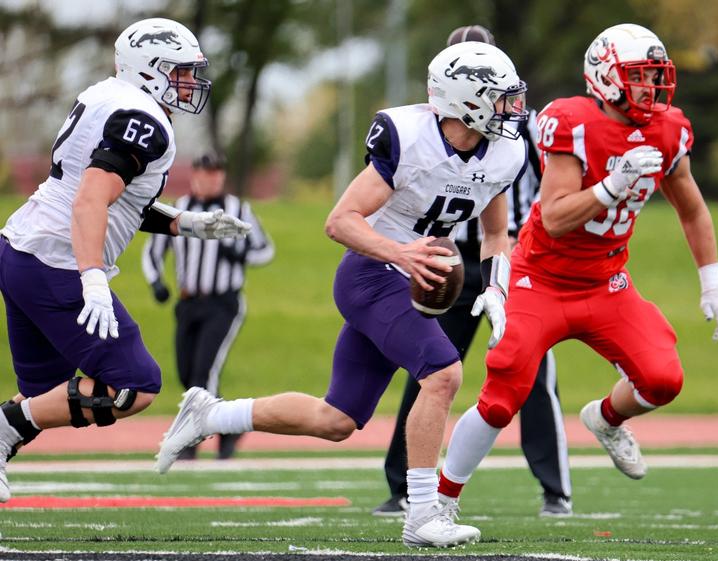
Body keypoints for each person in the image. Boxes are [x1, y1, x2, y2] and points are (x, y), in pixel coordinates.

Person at [155, 40, 530, 548]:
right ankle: (423, 513)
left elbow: (496, 234)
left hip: (407, 276)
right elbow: (340, 221)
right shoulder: (410, 138)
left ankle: (211, 414)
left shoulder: (505, 151)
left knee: (336, 419)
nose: (512, 109)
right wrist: (400, 254)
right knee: (443, 374)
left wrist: (497, 289)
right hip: (371, 273)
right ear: (467, 99)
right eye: (502, 98)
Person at [436, 23, 718, 515]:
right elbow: (554, 218)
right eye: (640, 75)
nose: (651, 86)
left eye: (656, 75)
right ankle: (441, 501)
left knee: (662, 379)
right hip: (540, 278)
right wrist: (613, 185)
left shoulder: (668, 129)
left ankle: (607, 419)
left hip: (606, 283)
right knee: (502, 395)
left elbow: (692, 209)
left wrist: (711, 283)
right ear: (606, 76)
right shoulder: (573, 122)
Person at [0, 18, 251, 502]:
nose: (189, 83)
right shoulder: (145, 120)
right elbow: (92, 199)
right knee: (134, 384)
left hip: (20, 249)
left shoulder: (105, 95)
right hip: (57, 261)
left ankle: (6, 430)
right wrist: (92, 277)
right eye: (180, 71)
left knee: (46, 392)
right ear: (147, 69)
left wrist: (185, 223)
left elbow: (115, 197)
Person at [372, 24, 573, 520]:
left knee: (530, 370)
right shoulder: (426, 127)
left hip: (511, 256)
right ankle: (402, 485)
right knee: (429, 368)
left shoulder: (521, 126)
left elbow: (552, 189)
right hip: (444, 260)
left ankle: (555, 487)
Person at [141, 152, 274, 461]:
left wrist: (240, 255)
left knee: (203, 373)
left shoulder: (239, 209)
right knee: (186, 373)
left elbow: (265, 250)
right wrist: (156, 282)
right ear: (195, 175)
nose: (211, 179)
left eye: (216, 173)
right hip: (188, 302)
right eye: (205, 173)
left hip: (223, 303)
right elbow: (152, 252)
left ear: (222, 177)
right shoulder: (178, 208)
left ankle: (192, 439)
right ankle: (230, 428)